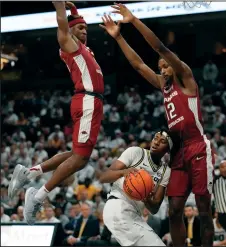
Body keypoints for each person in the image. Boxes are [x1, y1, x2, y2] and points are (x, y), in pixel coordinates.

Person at [100, 4, 215, 246]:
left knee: (204, 209)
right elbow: (139, 65)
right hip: (177, 152)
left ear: (175, 64)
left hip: (196, 147)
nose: (161, 69)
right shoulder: (164, 86)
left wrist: (133, 21)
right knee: (174, 210)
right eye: (160, 67)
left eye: (165, 65)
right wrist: (119, 37)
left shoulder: (185, 77)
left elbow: (159, 47)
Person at [8, 1, 104, 225]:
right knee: (80, 158)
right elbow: (64, 25)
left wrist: (74, 12)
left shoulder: (83, 48)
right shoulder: (68, 44)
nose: (84, 31)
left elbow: (74, 24)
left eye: (86, 29)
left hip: (92, 101)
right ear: (69, 31)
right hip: (87, 99)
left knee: (76, 155)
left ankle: (29, 173)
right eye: (80, 29)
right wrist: (61, 6)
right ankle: (38, 195)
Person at [98, 130, 172, 246]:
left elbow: (154, 208)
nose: (156, 142)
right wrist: (124, 172)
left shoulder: (165, 171)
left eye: (162, 141)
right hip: (117, 205)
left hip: (135, 215)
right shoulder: (135, 152)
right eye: (155, 138)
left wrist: (146, 197)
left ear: (168, 149)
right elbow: (104, 177)